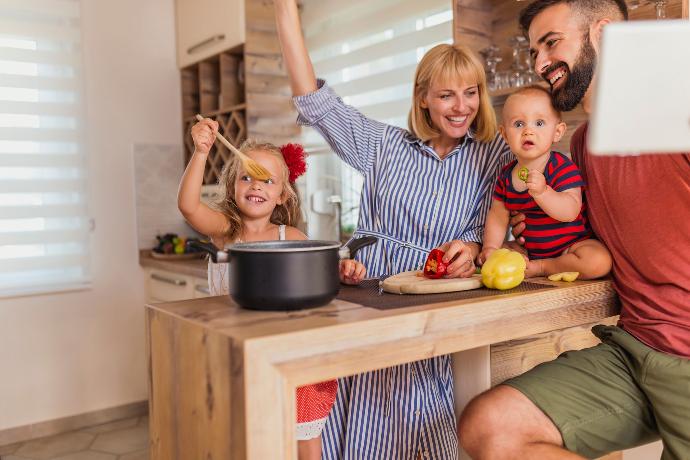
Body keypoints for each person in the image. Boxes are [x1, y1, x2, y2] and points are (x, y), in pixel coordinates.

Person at [274, 0, 513, 457]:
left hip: (440, 327)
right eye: (446, 95)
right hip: (370, 315)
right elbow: (314, 101)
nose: (461, 107)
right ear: (422, 96)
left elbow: (518, 229)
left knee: (431, 434)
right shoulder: (383, 145)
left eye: (470, 92)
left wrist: (474, 246)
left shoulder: (495, 155)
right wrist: (286, 10)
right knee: (361, 434)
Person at [459, 1, 690, 459]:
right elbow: (590, 235)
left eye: (551, 43)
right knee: (492, 427)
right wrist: (495, 242)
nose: (541, 63)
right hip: (634, 347)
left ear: (603, 34)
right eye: (534, 53)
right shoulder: (584, 146)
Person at [178, 118, 366, 459]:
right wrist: (201, 152)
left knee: (304, 437)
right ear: (234, 186)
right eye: (247, 176)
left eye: (267, 181)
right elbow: (189, 206)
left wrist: (344, 268)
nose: (256, 186)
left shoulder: (291, 238)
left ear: (282, 195)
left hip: (287, 349)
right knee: (248, 435)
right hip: (236, 351)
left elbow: (320, 271)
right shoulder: (225, 231)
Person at [479, 85, 611, 280]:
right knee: (501, 251)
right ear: (505, 134)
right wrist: (490, 248)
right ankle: (530, 263)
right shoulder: (506, 177)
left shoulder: (561, 167)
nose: (528, 131)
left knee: (598, 261)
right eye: (518, 124)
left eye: (539, 123)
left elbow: (571, 210)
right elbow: (498, 216)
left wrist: (543, 193)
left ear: (557, 132)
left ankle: (544, 267)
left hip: (571, 247)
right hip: (530, 249)